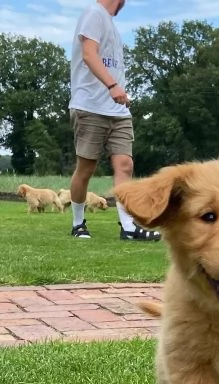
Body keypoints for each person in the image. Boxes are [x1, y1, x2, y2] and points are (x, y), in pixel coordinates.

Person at [68, 0, 161, 241]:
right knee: (86, 169)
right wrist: (112, 85)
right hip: (90, 106)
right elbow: (89, 54)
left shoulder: (110, 22)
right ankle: (78, 223)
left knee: (125, 166)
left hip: (118, 110)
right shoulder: (93, 13)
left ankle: (128, 227)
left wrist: (117, 91)